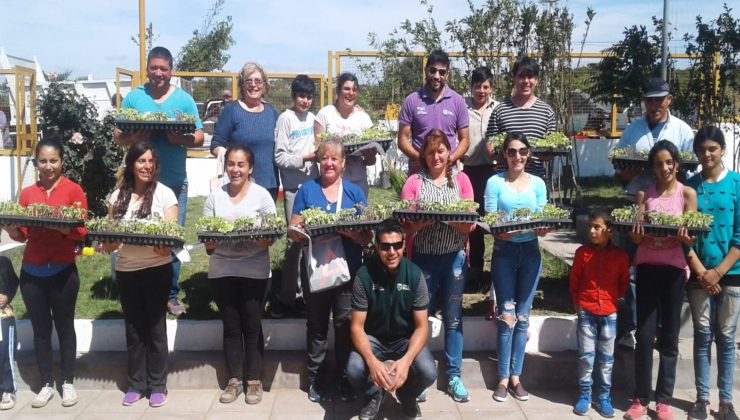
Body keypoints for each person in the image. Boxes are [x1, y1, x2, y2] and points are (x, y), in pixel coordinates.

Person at [113, 46, 204, 317]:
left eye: (163, 69)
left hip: (174, 182)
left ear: (171, 71)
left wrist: (181, 139)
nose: (158, 73)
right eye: (154, 68)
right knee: (138, 236)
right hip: (139, 185)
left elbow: (198, 136)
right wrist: (134, 136)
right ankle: (141, 288)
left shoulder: (184, 100)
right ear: (148, 69)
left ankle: (171, 294)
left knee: (171, 239)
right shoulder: (134, 98)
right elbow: (119, 135)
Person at [2, 138, 87, 408]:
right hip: (32, 272)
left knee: (65, 328)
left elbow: (81, 231)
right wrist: (9, 226)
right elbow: (23, 234)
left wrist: (64, 229)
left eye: (54, 160)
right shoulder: (27, 194)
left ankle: (68, 382)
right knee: (40, 331)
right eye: (43, 161)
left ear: (62, 161)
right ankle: (46, 384)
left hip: (63, 271)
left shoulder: (74, 191)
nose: (49, 166)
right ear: (36, 163)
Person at [287, 138, 372, 403]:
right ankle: (317, 379)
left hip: (348, 273)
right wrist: (307, 231)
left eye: (335, 158)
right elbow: (293, 231)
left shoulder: (354, 193)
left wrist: (348, 231)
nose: (329, 163)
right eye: (324, 158)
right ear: (318, 161)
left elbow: (367, 237)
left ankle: (347, 379)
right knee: (317, 326)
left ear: (343, 163)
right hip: (316, 271)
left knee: (346, 326)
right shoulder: (307, 191)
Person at [614, 78, 694, 351]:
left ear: (669, 99)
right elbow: (620, 176)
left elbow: (689, 172)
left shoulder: (682, 130)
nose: (654, 104)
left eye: (659, 99)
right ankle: (633, 328)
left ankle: (662, 330)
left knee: (667, 269)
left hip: (670, 209)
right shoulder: (633, 130)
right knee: (634, 268)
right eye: (649, 99)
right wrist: (627, 174)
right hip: (638, 204)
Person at [623, 140, 697, 420]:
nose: (664, 168)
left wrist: (685, 236)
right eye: (659, 163)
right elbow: (635, 238)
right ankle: (640, 398)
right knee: (643, 335)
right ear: (652, 167)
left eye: (669, 162)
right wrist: (638, 233)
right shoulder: (644, 194)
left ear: (677, 164)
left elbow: (690, 239)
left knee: (669, 337)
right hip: (647, 270)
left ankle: (663, 400)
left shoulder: (687, 194)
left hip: (675, 271)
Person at [400, 129, 475, 403]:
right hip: (423, 259)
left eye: (441, 150)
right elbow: (406, 228)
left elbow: (469, 226)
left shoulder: (461, 182)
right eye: (431, 152)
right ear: (424, 155)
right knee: (420, 319)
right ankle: (420, 376)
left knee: (453, 318)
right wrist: (424, 221)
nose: (436, 156)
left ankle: (454, 375)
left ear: (449, 153)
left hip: (454, 257)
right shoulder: (414, 182)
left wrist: (446, 218)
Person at [103, 142, 179, 408]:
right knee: (134, 329)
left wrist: (162, 244)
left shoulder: (165, 194)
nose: (147, 166)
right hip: (127, 271)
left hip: (157, 270)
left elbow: (169, 238)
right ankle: (136, 383)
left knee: (155, 327)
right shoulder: (116, 197)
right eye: (141, 161)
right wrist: (109, 241)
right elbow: (111, 243)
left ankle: (158, 385)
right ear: (131, 164)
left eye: (151, 161)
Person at [203, 144, 277, 405]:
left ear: (250, 168)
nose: (235, 169)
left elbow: (270, 238)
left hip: (254, 270)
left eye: (240, 165)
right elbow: (208, 245)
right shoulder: (215, 197)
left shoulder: (262, 196)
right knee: (231, 326)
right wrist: (215, 240)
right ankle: (234, 380)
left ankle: (254, 380)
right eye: (231, 164)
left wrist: (257, 240)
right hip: (222, 270)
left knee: (252, 324)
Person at [347, 219, 437, 420]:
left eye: (397, 245)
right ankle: (373, 395)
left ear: (404, 245)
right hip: (373, 338)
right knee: (353, 370)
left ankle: (407, 396)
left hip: (405, 338)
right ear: (377, 247)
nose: (392, 252)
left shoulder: (415, 275)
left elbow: (422, 327)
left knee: (429, 372)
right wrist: (372, 362)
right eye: (385, 246)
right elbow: (356, 327)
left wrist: (405, 361)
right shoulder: (364, 276)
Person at [485, 132, 549, 403]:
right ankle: (501, 378)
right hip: (505, 253)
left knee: (523, 315)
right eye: (511, 152)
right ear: (504, 155)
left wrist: (541, 228)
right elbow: (491, 222)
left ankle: (516, 377)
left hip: (531, 253)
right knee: (506, 315)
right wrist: (509, 231)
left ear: (529, 153)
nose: (517, 156)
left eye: (522, 151)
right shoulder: (494, 183)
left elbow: (543, 222)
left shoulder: (537, 184)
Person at [684, 126, 740, 420]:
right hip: (699, 274)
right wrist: (703, 272)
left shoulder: (737, 185)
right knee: (703, 335)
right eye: (701, 150)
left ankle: (727, 401)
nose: (706, 155)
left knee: (727, 338)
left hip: (731, 273)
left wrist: (719, 272)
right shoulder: (690, 187)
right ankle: (702, 399)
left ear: (722, 150)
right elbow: (685, 237)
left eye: (712, 149)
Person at [569, 210, 629, 417]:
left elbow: (623, 283)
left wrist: (614, 301)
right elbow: (574, 281)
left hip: (609, 313)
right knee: (586, 357)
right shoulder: (582, 253)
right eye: (590, 228)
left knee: (606, 359)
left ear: (609, 231)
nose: (592, 232)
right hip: (586, 311)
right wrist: (579, 305)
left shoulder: (620, 257)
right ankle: (585, 395)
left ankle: (604, 397)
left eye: (597, 227)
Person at [274, 75, 318, 317]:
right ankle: (288, 297)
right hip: (293, 189)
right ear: (293, 97)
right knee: (294, 243)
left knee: (311, 243)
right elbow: (279, 157)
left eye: (309, 97)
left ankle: (308, 296)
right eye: (301, 96)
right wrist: (306, 158)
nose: (305, 101)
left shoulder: (314, 120)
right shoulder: (286, 119)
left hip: (313, 188)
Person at [211, 62, 280, 200]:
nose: (253, 85)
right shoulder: (232, 110)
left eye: (258, 81)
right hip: (239, 186)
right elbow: (215, 145)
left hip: (269, 185)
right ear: (242, 85)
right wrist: (231, 159)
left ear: (264, 86)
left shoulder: (271, 112)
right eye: (248, 81)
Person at [397, 49, 470, 173]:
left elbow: (465, 140)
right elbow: (402, 139)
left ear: (447, 74)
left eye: (442, 72)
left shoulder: (458, 101)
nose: (437, 76)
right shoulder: (412, 100)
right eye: (433, 70)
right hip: (419, 172)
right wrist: (420, 159)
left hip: (448, 173)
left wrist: (450, 159)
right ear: (426, 71)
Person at [484, 56, 554, 179]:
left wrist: (526, 155)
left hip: (535, 182)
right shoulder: (500, 110)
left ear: (536, 80)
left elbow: (551, 153)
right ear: (514, 79)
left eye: (530, 76)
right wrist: (512, 158)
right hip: (505, 182)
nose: (526, 81)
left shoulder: (546, 112)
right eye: (521, 76)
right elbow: (490, 148)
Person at [463, 66, 497, 296]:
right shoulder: (462, 108)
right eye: (477, 86)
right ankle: (475, 271)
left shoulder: (499, 109)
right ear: (472, 87)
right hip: (469, 171)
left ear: (491, 88)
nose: (481, 91)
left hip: (494, 171)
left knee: (493, 221)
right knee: (473, 224)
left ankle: (495, 275)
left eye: (485, 86)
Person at [314, 72, 376, 197]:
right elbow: (318, 153)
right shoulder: (324, 115)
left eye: (354, 90)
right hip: (331, 183)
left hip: (358, 182)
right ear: (338, 91)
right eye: (346, 89)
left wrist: (369, 155)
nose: (351, 93)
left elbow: (371, 161)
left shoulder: (363, 118)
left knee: (360, 216)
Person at [0, 256, 19, 411]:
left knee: (5, 354)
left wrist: (7, 296)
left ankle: (8, 389)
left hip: (3, 317)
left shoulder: (4, 262)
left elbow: (13, 282)